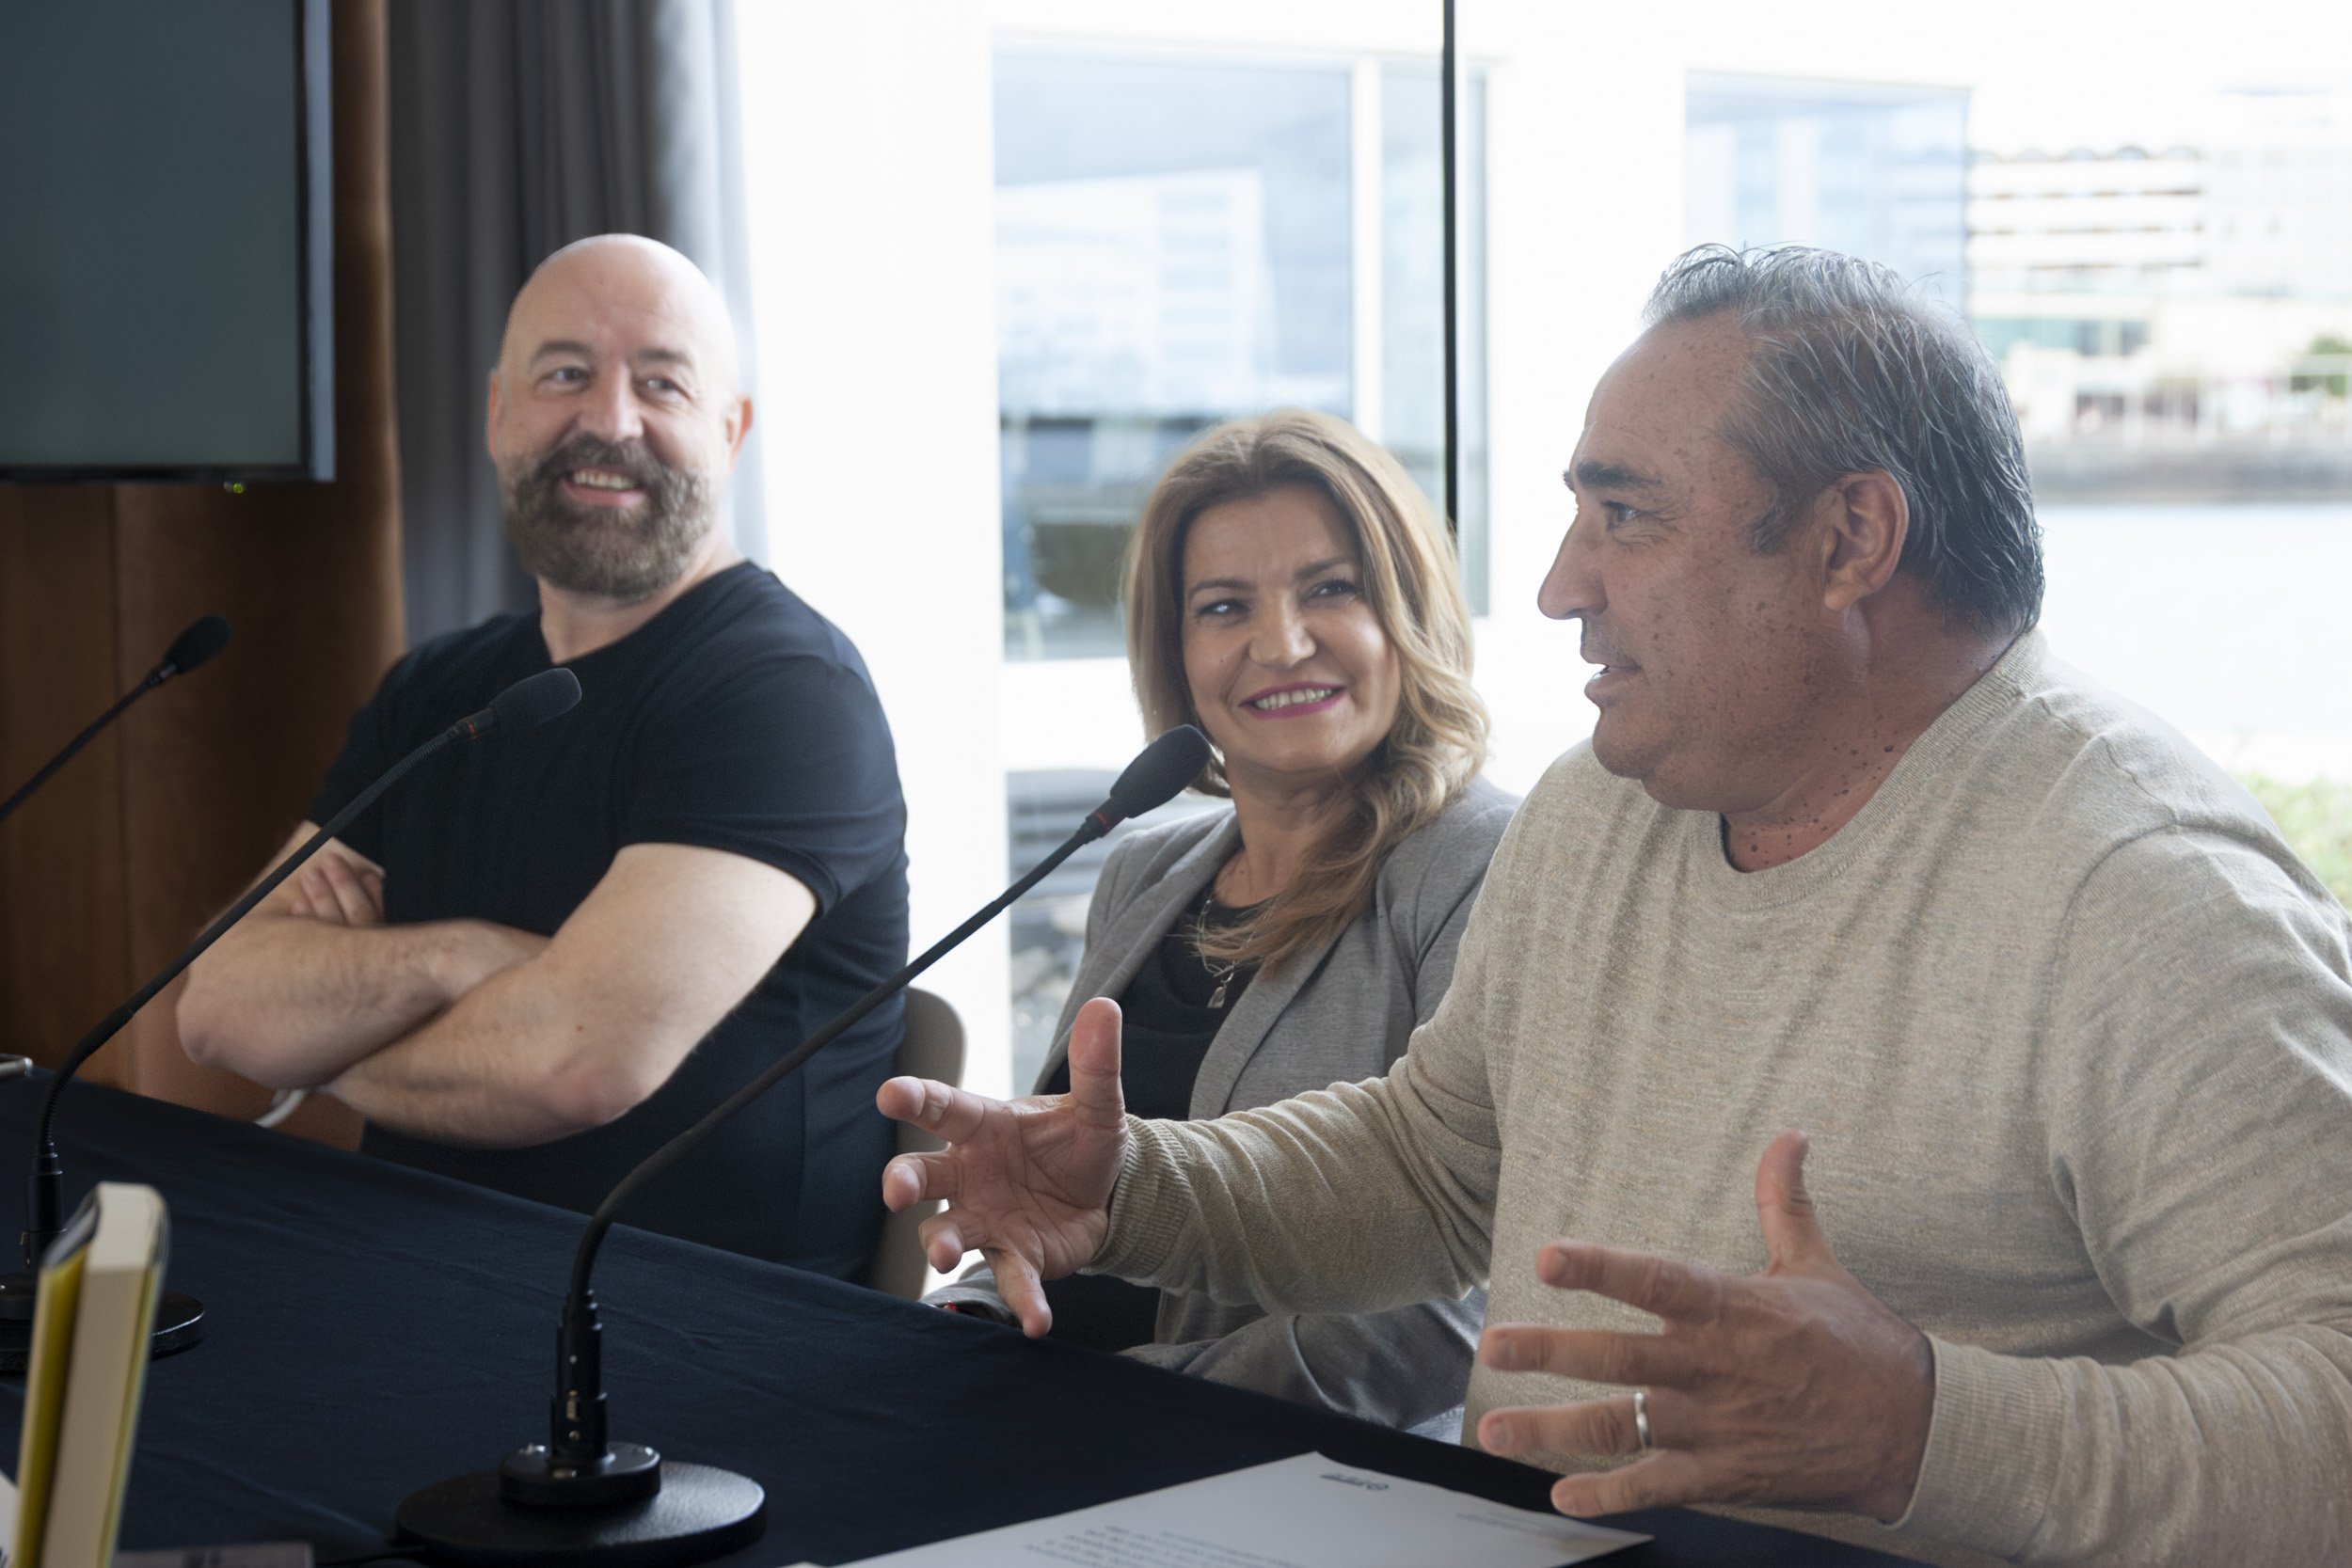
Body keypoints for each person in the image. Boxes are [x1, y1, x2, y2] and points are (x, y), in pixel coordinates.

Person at [879, 245, 2352, 1565]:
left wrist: (1921, 1428)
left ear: (1851, 540)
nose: (1558, 583)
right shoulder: (1607, 798)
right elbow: (1434, 1162)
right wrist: (1137, 1187)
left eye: (1625, 516)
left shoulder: (2142, 892)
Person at [181, 235, 909, 1279]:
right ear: (497, 415)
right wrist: (461, 955)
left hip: (698, 1340)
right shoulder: (438, 689)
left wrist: (322, 1032)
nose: (610, 420)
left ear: (732, 430)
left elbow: (572, 1063)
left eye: (661, 382)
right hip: (413, 1275)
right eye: (565, 373)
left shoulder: (786, 696)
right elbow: (217, 1003)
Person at [931, 411, 1516, 1430]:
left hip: (1260, 1467)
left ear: (1407, 610)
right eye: (1223, 605)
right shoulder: (1142, 868)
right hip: (1039, 1415)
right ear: (1179, 649)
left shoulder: (1484, 863)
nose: (1279, 643)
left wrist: (1130, 1409)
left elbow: (1458, 1311)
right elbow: (1051, 1201)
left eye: (1331, 588)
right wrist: (960, 1326)